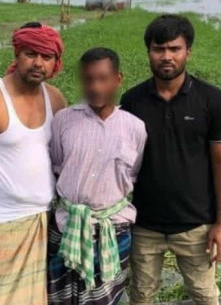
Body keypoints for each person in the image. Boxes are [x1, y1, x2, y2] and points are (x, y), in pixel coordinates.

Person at [120, 14, 221, 305]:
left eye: (175, 49)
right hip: (145, 224)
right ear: (148, 52)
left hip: (196, 224)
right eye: (159, 49)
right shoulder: (132, 101)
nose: (166, 56)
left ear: (188, 52)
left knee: (205, 295)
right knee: (141, 295)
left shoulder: (211, 99)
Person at [0, 22, 67, 304]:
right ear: (17, 54)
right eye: (31, 54)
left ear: (55, 62)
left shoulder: (55, 99)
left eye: (47, 57)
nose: (38, 63)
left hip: (42, 222)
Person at [48, 48, 147, 305]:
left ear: (118, 79)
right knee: (61, 298)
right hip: (67, 226)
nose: (95, 87)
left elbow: (132, 174)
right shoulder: (63, 121)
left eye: (103, 79)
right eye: (88, 79)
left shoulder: (135, 128)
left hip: (113, 228)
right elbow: (57, 166)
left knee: (107, 297)